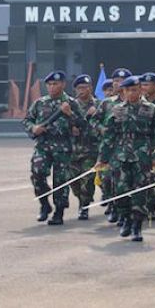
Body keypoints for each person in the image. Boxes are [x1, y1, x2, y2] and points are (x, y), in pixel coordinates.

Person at [95, 76, 155, 242]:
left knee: (140, 192)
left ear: (140, 90)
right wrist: (102, 158)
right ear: (123, 92)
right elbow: (109, 136)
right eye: (128, 90)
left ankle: (137, 226)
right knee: (120, 191)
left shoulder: (151, 109)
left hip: (142, 157)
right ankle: (125, 218)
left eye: (135, 89)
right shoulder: (116, 110)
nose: (132, 93)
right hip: (120, 156)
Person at [22, 71, 86, 226]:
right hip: (43, 145)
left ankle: (59, 211)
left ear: (63, 84)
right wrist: (33, 128)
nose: (51, 87)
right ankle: (44, 203)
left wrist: (69, 114)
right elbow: (26, 120)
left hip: (63, 146)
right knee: (37, 172)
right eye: (49, 84)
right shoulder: (39, 103)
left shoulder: (71, 103)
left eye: (55, 84)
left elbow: (83, 124)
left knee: (61, 180)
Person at [91, 68, 132, 224]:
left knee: (126, 182)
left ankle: (126, 213)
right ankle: (114, 206)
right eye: (115, 81)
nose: (118, 84)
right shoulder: (107, 103)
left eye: (121, 81)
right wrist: (101, 129)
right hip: (110, 149)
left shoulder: (138, 103)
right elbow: (94, 121)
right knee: (108, 180)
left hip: (131, 150)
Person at [70, 75, 98, 220]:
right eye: (79, 88)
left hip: (91, 149)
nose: (82, 90)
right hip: (73, 150)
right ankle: (81, 198)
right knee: (74, 181)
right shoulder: (70, 106)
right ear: (75, 90)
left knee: (87, 178)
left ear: (91, 88)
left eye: (85, 87)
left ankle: (84, 206)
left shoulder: (99, 105)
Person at [141, 72, 155, 221]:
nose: (144, 87)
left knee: (153, 178)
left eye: (147, 84)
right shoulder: (138, 103)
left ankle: (151, 207)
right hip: (136, 149)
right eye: (142, 84)